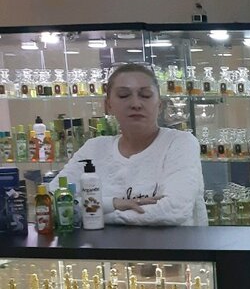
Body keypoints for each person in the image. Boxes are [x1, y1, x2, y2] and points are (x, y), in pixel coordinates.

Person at [51, 63, 207, 226]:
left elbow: (174, 210)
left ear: (160, 105)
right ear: (108, 105)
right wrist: (112, 203)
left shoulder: (180, 143)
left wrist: (95, 216)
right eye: (124, 95)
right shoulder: (94, 148)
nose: (136, 104)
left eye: (145, 95)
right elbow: (52, 199)